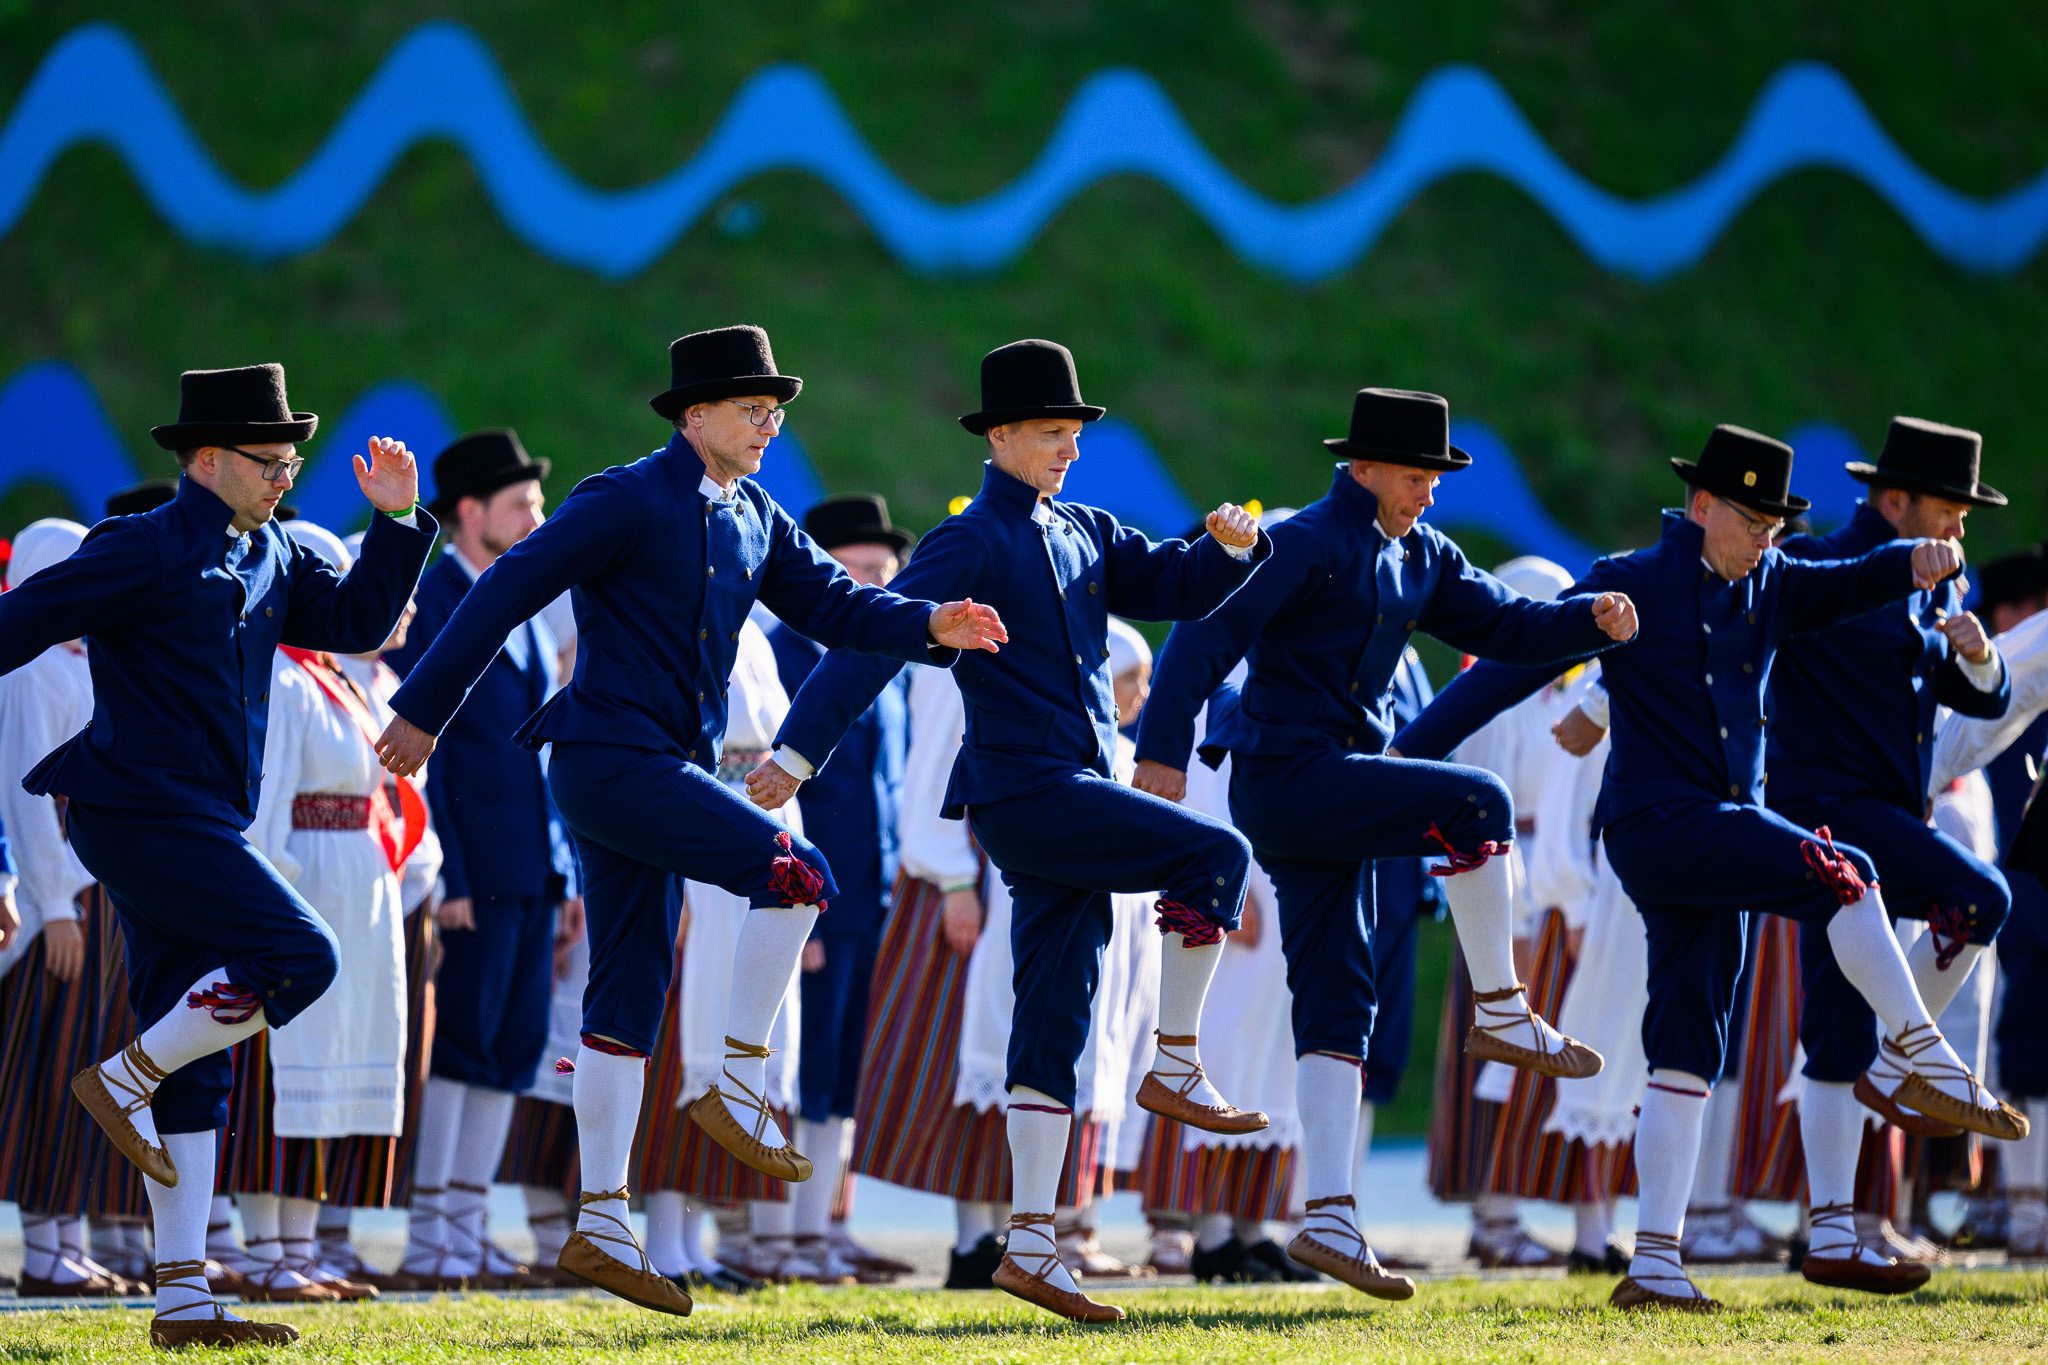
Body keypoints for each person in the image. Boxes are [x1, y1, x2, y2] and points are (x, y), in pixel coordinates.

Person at [374, 325, 1004, 1317]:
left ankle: (601, 1225)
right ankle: (735, 1083)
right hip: (606, 761)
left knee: (627, 999)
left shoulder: (755, 514)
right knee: (797, 871)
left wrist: (926, 622)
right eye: (753, 408)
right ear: (694, 413)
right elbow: (504, 589)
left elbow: (837, 607)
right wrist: (422, 711)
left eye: (775, 409)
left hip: (659, 771)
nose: (769, 424)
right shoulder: (622, 497)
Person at [1394, 424, 2021, 1312]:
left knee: (1689, 1043)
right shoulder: (1632, 578)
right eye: (1751, 522)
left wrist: (1912, 562)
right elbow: (1510, 666)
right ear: (1700, 505)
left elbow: (1850, 581)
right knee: (1847, 872)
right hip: (1657, 826)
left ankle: (1654, 1262)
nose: (1765, 540)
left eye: (1775, 525)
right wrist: (1405, 753)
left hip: (1716, 836)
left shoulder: (1770, 580)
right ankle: (1918, 1051)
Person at [754, 338, 1269, 1323]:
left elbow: (1176, 587)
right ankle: (1175, 1060)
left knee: (1053, 1023)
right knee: (1216, 852)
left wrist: (1228, 549)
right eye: (1049, 433)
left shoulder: (1084, 528)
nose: (1068, 449)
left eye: (1074, 433)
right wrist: (798, 752)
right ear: (998, 437)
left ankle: (1031, 1243)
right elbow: (871, 640)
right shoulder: (970, 540)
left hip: (1068, 796)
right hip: (1024, 793)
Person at [1133, 388, 1635, 1299]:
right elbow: (1202, 639)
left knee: (1340, 995)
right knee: (1479, 802)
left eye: (1436, 479)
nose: (1430, 494)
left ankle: (1328, 1213)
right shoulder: (1301, 542)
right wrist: (1161, 752)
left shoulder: (1424, 555)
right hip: (1286, 777)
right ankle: (1501, 1006)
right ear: (1362, 466)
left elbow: (1508, 626)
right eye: (1416, 476)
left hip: (1338, 790)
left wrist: (1587, 618)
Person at [0, 364, 434, 1347]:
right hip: (136, 812)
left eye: (292, 461)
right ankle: (125, 1078)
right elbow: (21, 621)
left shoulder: (274, 552)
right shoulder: (141, 546)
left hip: (203, 821)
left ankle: (183, 1301)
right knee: (303, 954)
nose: (285, 475)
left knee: (200, 1077)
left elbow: (358, 625)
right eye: (268, 460)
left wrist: (399, 522)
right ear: (205, 459)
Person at [1766, 417, 2013, 1293]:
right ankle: (1896, 1070)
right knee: (1979, 898)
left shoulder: (1927, 587)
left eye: (1964, 516)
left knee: (1839, 1028)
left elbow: (1986, 703)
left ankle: (1840, 1225)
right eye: (1950, 510)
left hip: (1881, 820)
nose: (1959, 528)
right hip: (1829, 820)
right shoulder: (1819, 564)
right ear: (1895, 499)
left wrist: (1979, 656)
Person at [383, 429, 575, 1288]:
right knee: (459, 1043)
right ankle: (431, 1233)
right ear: (469, 511)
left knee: (513, 1046)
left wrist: (564, 868)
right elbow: (431, 752)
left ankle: (468, 1226)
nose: (537, 518)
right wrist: (451, 873)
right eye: (520, 504)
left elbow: (539, 746)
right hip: (473, 868)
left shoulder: (517, 599)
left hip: (530, 864)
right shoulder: (434, 600)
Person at [220, 521, 427, 1305]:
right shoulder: (282, 678)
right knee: (288, 1064)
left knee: (335, 1056)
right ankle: (268, 1249)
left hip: (357, 887)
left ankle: (301, 1247)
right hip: (309, 882)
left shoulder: (336, 677)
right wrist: (272, 903)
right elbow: (266, 806)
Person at [766, 495, 912, 1279]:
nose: (876, 587)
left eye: (885, 573)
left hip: (870, 890)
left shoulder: (882, 653)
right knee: (803, 1064)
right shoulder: (783, 655)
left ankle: (826, 1224)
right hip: (812, 895)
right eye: (860, 571)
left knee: (845, 1070)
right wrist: (802, 908)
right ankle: (785, 1234)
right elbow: (779, 796)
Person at [0, 519, 147, 1297]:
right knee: (49, 1069)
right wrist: (55, 903)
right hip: (59, 900)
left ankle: (65, 1237)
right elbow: (25, 797)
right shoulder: (30, 669)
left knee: (84, 1065)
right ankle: (42, 1246)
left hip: (97, 890)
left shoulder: (82, 663)